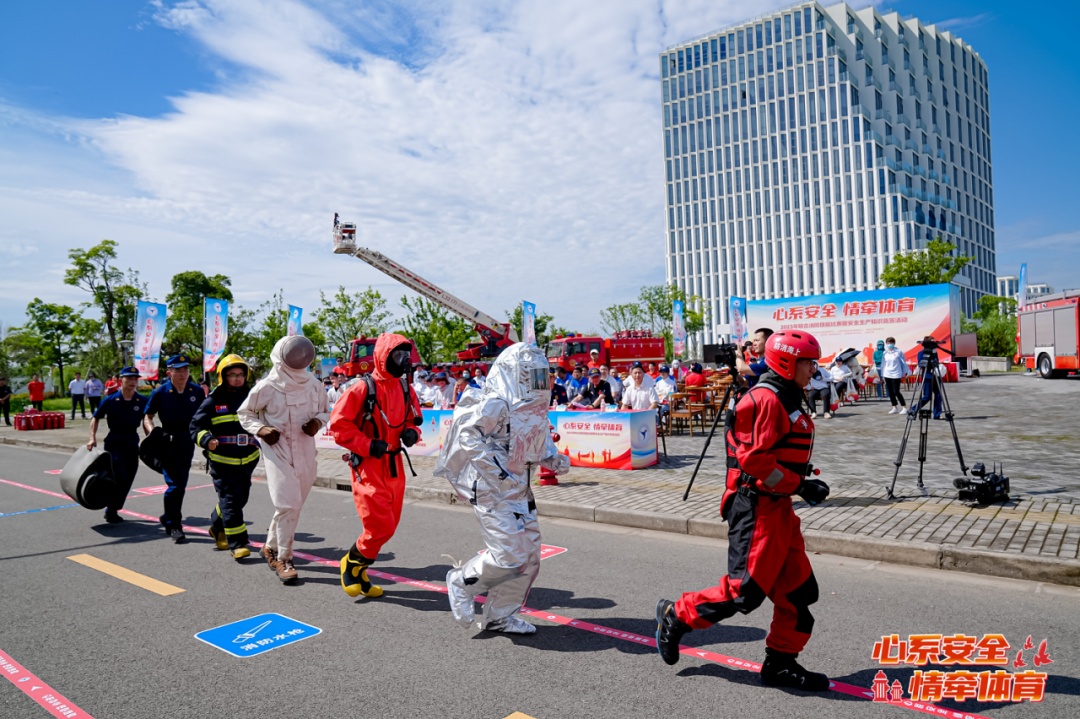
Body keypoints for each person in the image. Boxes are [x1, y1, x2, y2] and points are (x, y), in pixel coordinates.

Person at [655, 330, 831, 692]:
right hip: (756, 507)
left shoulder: (785, 394)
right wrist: (800, 485)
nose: (813, 370)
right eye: (808, 363)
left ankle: (780, 663)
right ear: (787, 362)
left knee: (798, 592)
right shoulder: (767, 399)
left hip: (778, 507)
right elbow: (754, 460)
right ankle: (677, 615)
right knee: (744, 592)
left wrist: (798, 484)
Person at [436, 342, 570, 634]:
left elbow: (535, 442)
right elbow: (469, 436)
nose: (536, 381)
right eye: (530, 374)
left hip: (519, 491)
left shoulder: (531, 407)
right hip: (491, 491)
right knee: (509, 556)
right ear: (514, 372)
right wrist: (496, 472)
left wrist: (553, 459)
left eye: (540, 375)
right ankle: (462, 581)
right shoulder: (496, 403)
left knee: (529, 560)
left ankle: (500, 616)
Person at [330, 333, 424, 599]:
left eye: (405, 355)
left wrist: (412, 434)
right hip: (368, 465)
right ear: (384, 357)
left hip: (395, 464)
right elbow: (339, 426)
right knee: (379, 526)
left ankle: (361, 572)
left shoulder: (405, 388)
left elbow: (413, 419)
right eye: (397, 355)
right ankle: (351, 563)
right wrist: (368, 445)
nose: (403, 360)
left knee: (389, 526)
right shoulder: (361, 388)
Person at [238, 336, 328, 585]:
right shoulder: (268, 386)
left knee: (292, 505)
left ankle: (269, 546)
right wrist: (261, 429)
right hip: (277, 450)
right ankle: (284, 558)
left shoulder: (313, 385)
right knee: (288, 503)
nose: (299, 356)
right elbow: (244, 413)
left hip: (305, 450)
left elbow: (325, 411)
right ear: (280, 356)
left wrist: (317, 422)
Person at [190, 354, 260, 560]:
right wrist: (206, 439)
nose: (237, 378)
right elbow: (195, 426)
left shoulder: (253, 397)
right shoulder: (213, 400)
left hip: (248, 458)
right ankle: (237, 543)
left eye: (240, 374)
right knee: (230, 501)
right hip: (222, 461)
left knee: (240, 498)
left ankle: (216, 524)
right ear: (223, 376)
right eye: (232, 375)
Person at [143, 354, 205, 543]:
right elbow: (148, 416)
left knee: (181, 485)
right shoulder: (160, 392)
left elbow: (204, 416)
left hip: (187, 442)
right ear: (169, 372)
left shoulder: (197, 391)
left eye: (185, 369)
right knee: (175, 485)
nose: (183, 373)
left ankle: (168, 516)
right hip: (167, 442)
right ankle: (174, 525)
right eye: (178, 370)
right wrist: (152, 433)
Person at [87, 367, 146, 524]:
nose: (133, 381)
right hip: (115, 441)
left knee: (129, 476)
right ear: (121, 380)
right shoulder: (111, 400)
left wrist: (151, 437)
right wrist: (92, 438)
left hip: (132, 440)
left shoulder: (141, 400)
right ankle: (111, 509)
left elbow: (147, 419)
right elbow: (95, 418)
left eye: (135, 379)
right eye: (129, 378)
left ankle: (113, 507)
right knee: (119, 476)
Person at [914, 338, 944, 420]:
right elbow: (921, 363)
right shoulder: (921, 353)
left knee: (938, 395)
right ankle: (914, 409)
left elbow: (936, 361)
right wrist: (929, 362)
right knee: (927, 397)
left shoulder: (934, 352)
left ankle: (937, 414)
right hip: (927, 376)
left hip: (935, 376)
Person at [880, 337, 910, 414]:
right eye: (888, 343)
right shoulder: (885, 353)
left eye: (891, 343)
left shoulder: (898, 352)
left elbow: (903, 362)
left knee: (896, 391)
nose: (889, 344)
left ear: (894, 343)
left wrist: (905, 372)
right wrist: (882, 374)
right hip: (887, 373)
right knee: (890, 392)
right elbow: (883, 364)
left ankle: (904, 407)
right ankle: (894, 407)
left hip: (896, 373)